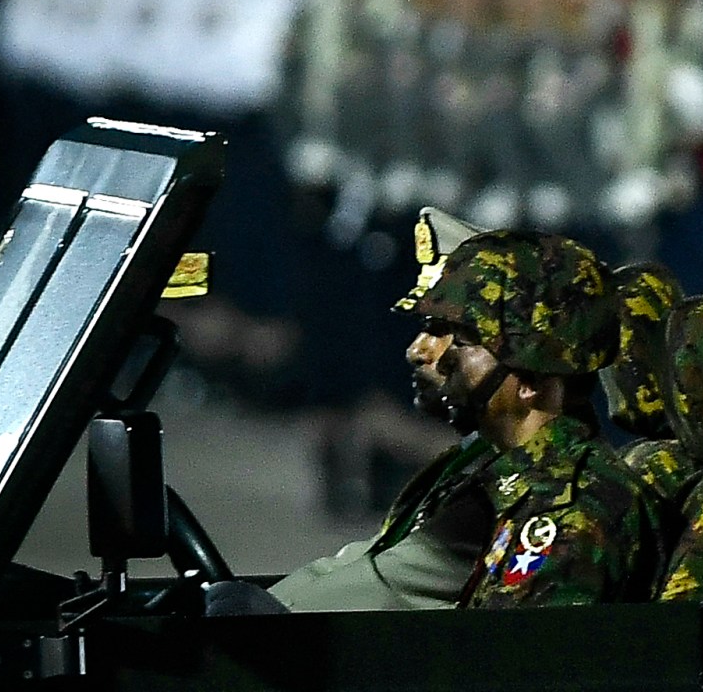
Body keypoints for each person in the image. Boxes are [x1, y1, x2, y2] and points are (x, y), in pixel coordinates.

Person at [224, 217, 658, 613]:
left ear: (532, 381)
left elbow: (500, 667)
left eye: (461, 340)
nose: (419, 351)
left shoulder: (570, 510)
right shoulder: (481, 465)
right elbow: (369, 569)